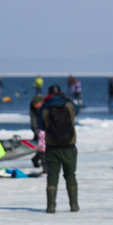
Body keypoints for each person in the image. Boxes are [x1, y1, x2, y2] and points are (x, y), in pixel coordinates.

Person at [41, 84, 80, 212]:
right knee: (70, 175)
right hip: (69, 146)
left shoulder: (45, 107)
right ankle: (74, 205)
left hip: (52, 147)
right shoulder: (69, 104)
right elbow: (77, 111)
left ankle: (51, 207)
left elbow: (41, 125)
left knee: (52, 176)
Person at [29, 93, 47, 174]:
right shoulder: (33, 110)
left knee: (43, 149)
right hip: (39, 132)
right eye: (34, 104)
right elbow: (34, 124)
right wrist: (38, 134)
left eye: (36, 104)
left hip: (45, 131)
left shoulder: (45, 108)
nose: (35, 105)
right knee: (42, 149)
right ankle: (45, 167)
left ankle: (35, 159)